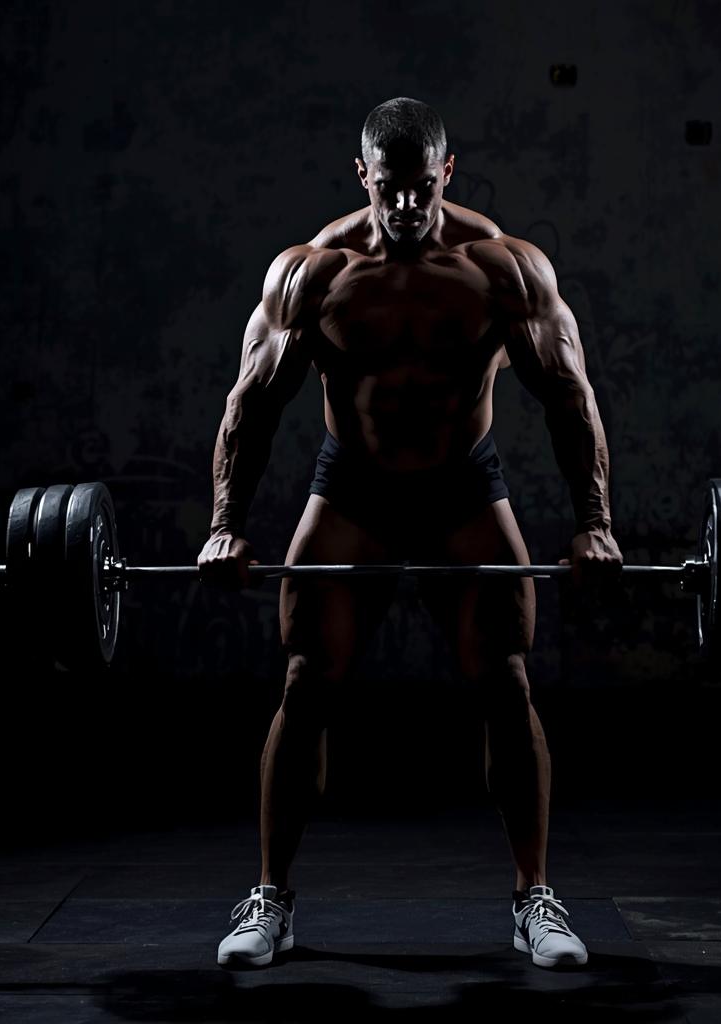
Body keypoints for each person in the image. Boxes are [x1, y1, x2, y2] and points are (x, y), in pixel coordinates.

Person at [198, 97, 622, 969]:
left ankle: (534, 899)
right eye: (388, 189)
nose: (403, 208)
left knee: (506, 680)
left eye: (420, 188)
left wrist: (595, 526)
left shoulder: (505, 269)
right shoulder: (312, 273)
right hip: (354, 483)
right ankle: (270, 900)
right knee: (307, 680)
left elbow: (571, 399)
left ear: (448, 173)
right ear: (362, 175)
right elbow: (250, 407)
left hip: (462, 484)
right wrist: (224, 529)